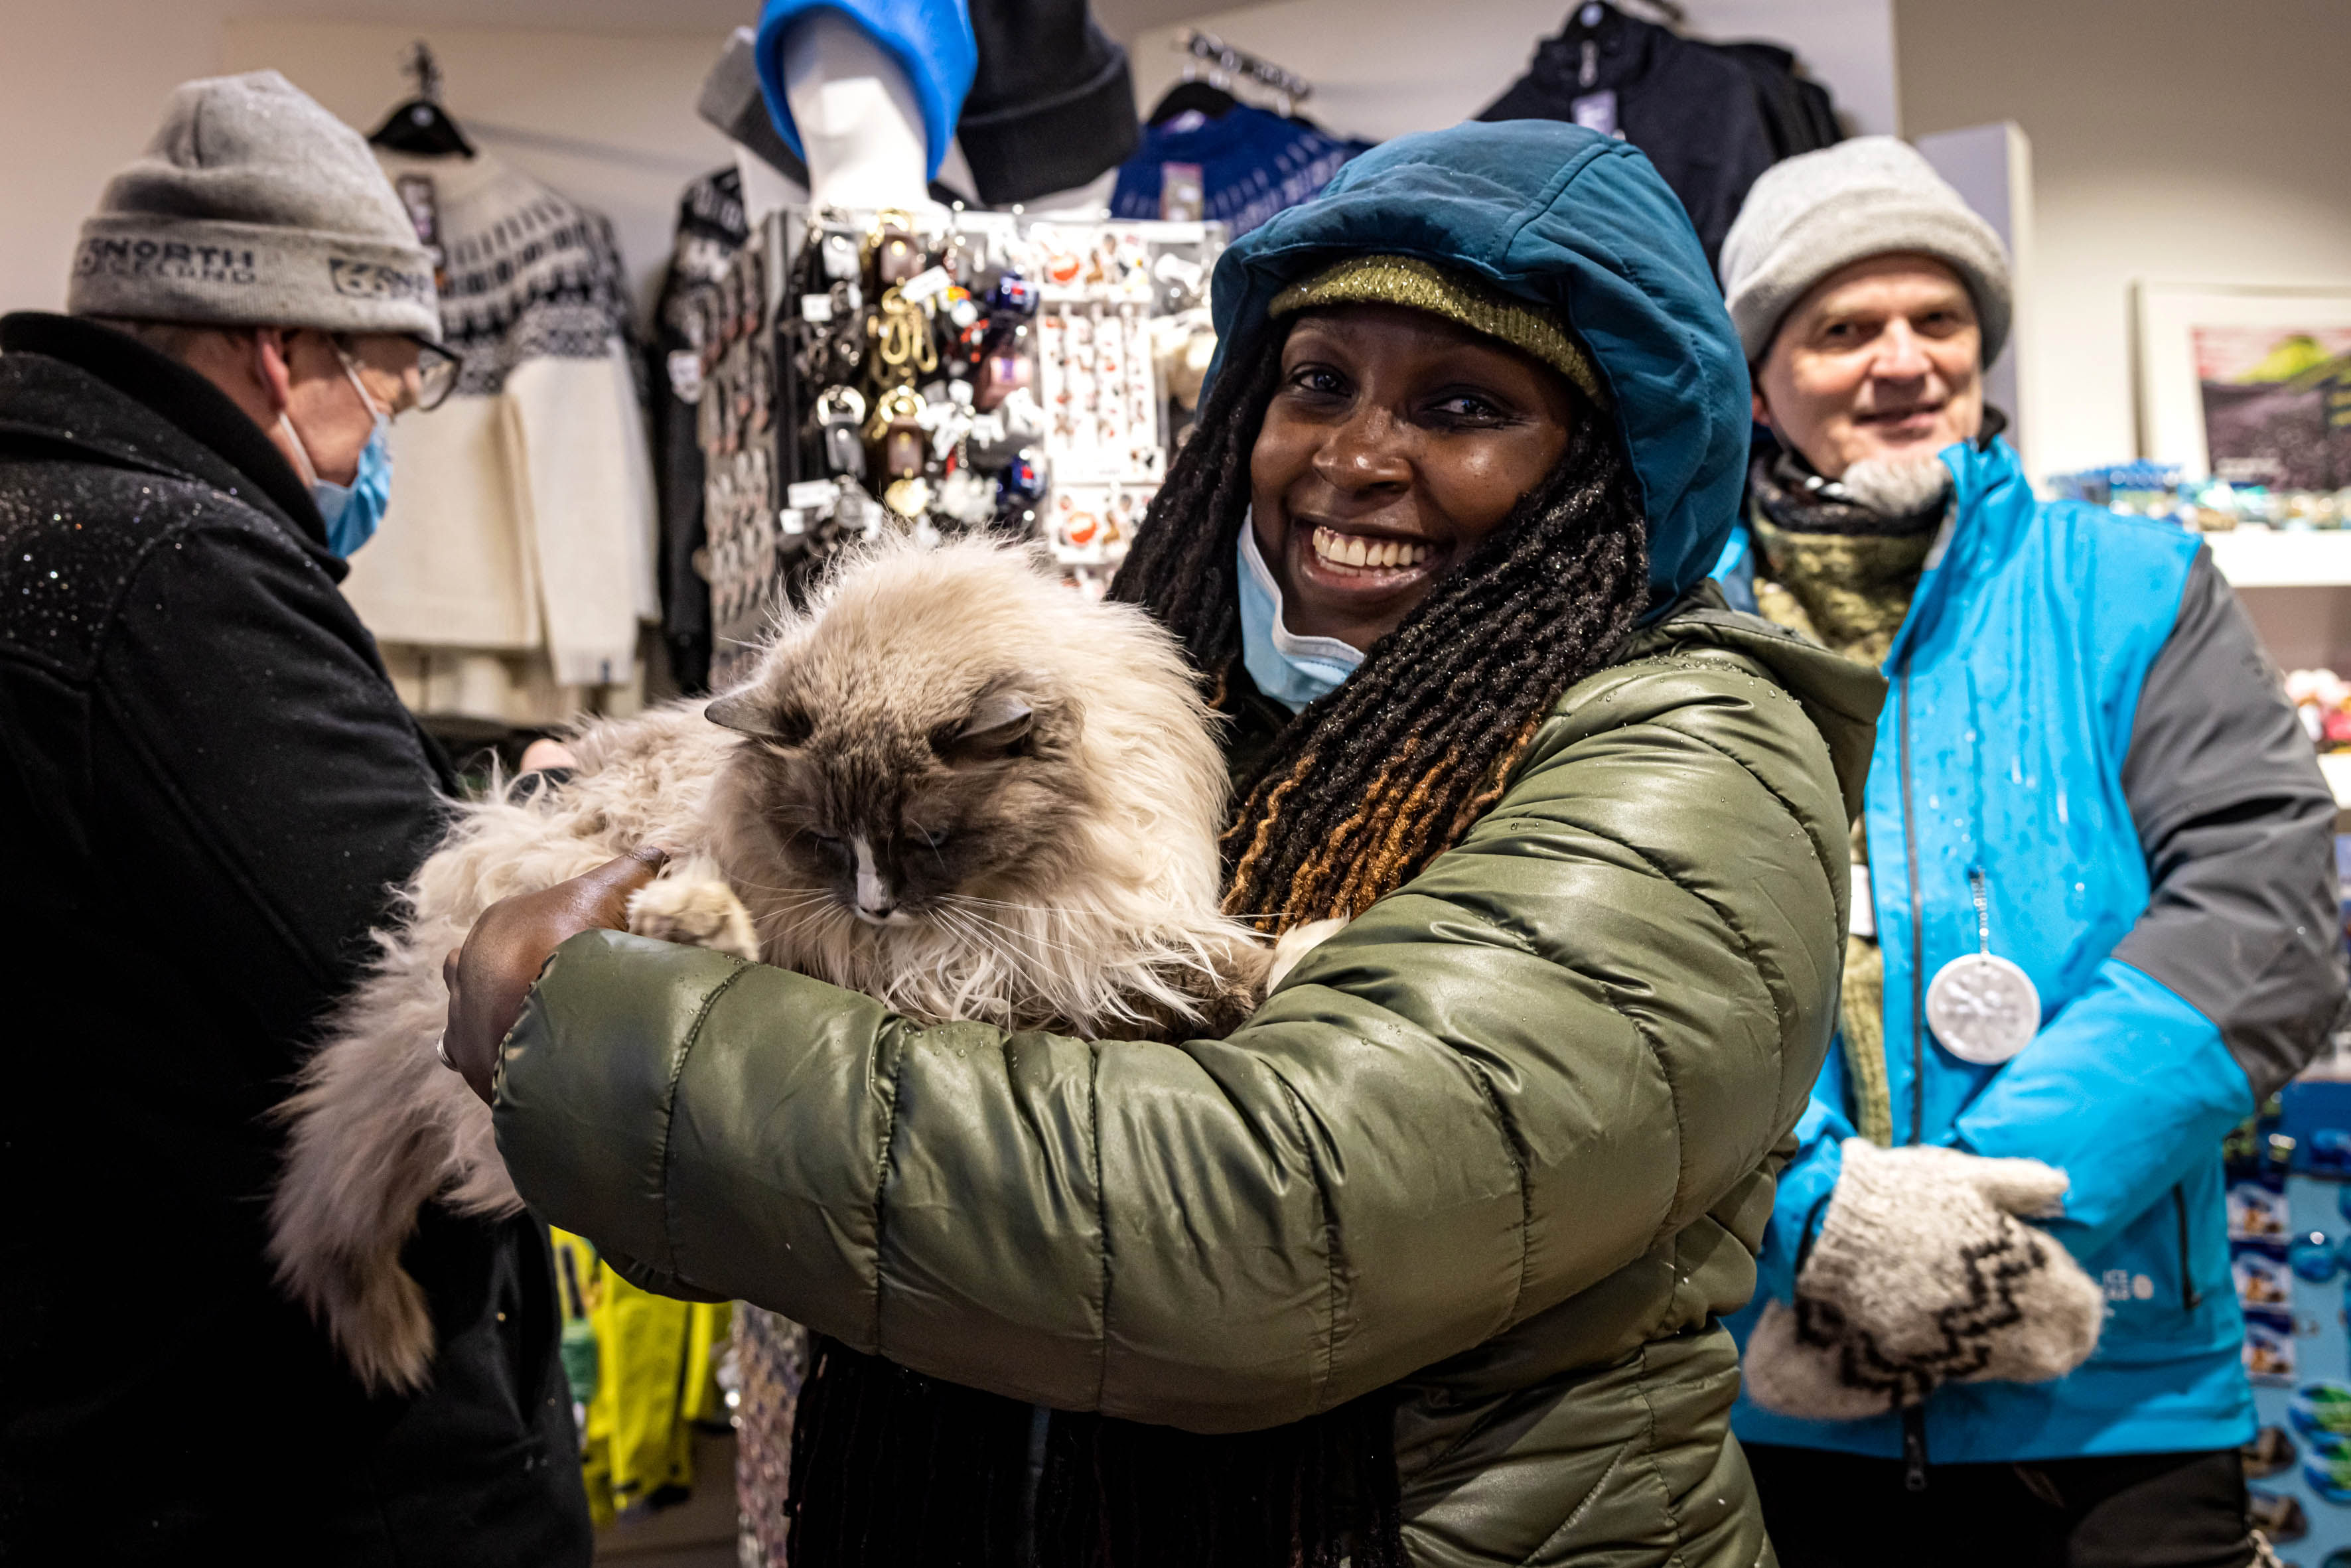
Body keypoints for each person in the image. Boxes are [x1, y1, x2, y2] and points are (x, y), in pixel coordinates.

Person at [442, 119, 1884, 1567]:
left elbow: (1270, 1242)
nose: (1357, 456)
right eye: (1314, 382)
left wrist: (603, 1033)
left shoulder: (1690, 763)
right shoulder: (1190, 707)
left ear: (1599, 471)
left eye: (1461, 407)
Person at [1711, 137, 2346, 1567]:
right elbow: (1636, 966)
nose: (1899, 362)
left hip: (2106, 1385)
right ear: (1760, 378)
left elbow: (2261, 914)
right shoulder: (1678, 625)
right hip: (1762, 1388)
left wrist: (1980, 1201)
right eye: (1839, 329)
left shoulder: (2134, 587)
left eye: (1934, 321)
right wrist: (1826, 1211)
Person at [0, 72, 589, 1563]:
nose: (388, 431)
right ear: (285, 349)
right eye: (391, 384)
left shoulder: (43, 523)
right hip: (285, 1464)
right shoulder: (169, 576)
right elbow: (416, 994)